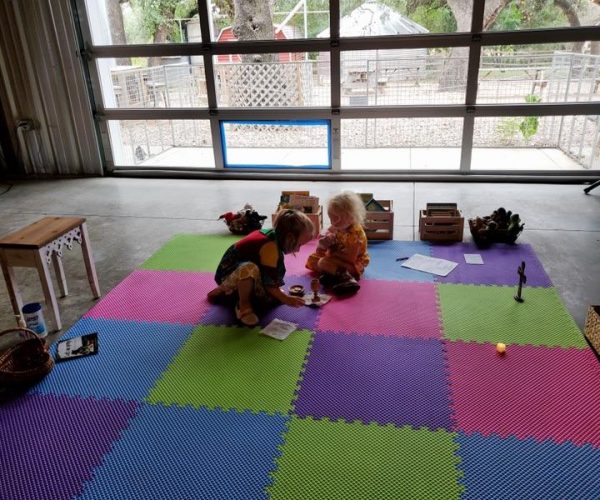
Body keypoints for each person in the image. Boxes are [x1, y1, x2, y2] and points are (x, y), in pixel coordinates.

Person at [207, 209, 314, 327]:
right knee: (249, 269)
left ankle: (227, 292)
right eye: (299, 245)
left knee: (269, 297)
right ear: (289, 238)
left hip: (237, 271)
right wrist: (285, 299)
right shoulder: (270, 247)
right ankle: (243, 305)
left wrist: (278, 295)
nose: (298, 250)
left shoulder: (274, 236)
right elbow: (270, 284)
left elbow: (268, 273)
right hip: (227, 275)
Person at [305, 191, 370, 295]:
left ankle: (347, 279)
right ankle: (333, 276)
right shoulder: (340, 225)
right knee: (313, 260)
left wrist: (331, 251)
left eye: (336, 219)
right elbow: (327, 231)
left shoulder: (356, 235)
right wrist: (324, 238)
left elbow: (350, 258)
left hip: (353, 265)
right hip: (338, 259)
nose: (332, 222)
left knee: (322, 262)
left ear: (351, 217)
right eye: (330, 218)